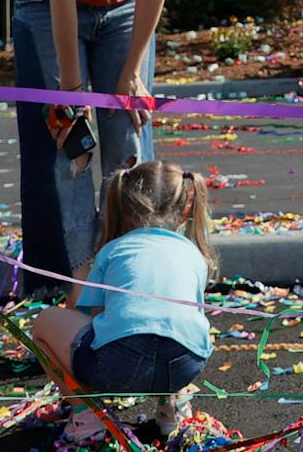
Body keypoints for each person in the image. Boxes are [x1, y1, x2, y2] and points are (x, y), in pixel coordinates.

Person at [16, 0, 197, 292]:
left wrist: (132, 71)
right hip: (48, 3)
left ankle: (131, 269)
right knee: (68, 144)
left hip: (121, 9)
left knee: (129, 143)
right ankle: (72, 279)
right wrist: (71, 89)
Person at [32, 160, 215, 441]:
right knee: (172, 324)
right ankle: (172, 409)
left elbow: (95, 318)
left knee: (44, 324)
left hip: (116, 368)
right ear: (186, 210)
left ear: (126, 208)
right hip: (182, 368)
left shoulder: (113, 249)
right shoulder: (194, 255)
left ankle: (86, 413)